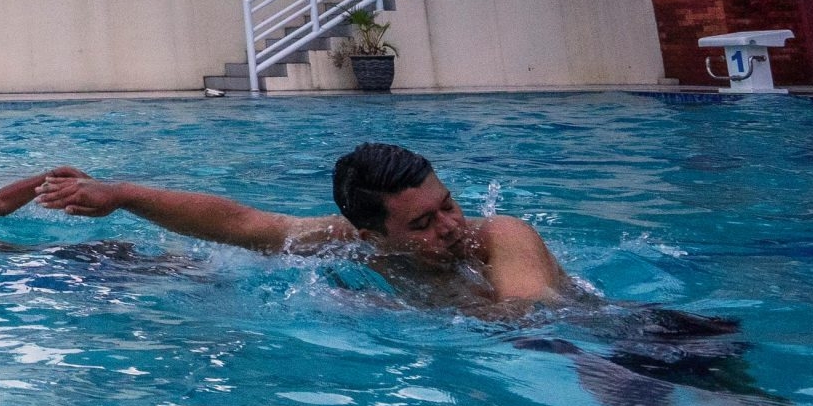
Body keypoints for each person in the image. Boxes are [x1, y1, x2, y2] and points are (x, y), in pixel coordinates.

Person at [33, 142, 573, 313]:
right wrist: (121, 195)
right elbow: (244, 225)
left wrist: (384, 308)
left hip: (625, 345)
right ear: (371, 235)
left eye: (449, 206)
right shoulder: (349, 242)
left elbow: (531, 320)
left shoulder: (502, 237)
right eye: (423, 224)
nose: (451, 227)